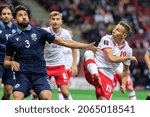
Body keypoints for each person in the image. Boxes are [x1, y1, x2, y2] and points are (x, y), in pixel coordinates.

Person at [4, 5, 98, 100]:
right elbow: (6, 62)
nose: (24, 17)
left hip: (39, 74)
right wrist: (11, 63)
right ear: (15, 20)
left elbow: (64, 42)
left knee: (47, 98)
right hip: (22, 75)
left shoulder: (39, 32)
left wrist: (86, 46)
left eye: (25, 14)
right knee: (17, 98)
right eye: (20, 15)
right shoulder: (11, 39)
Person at [83, 21, 138, 100]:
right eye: (115, 28)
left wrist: (123, 84)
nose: (114, 30)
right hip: (95, 69)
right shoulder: (107, 39)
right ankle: (95, 75)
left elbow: (126, 70)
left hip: (108, 75)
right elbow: (111, 58)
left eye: (118, 30)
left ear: (124, 35)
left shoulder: (128, 50)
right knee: (88, 52)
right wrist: (128, 57)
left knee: (103, 103)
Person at [43, 11, 79, 100]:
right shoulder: (44, 32)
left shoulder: (65, 33)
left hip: (59, 66)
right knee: (45, 96)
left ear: (61, 22)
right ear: (50, 21)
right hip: (45, 66)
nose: (55, 21)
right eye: (53, 19)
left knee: (65, 93)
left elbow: (74, 47)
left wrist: (74, 65)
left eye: (57, 19)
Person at [0, 4, 17, 100]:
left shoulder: (16, 29)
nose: (6, 15)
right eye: (4, 14)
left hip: (10, 63)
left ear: (11, 16)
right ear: (0, 16)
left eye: (8, 14)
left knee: (8, 91)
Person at [58, 28, 80, 100]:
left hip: (69, 68)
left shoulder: (74, 45)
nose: (69, 34)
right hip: (61, 68)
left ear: (72, 35)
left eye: (70, 33)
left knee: (65, 88)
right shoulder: (61, 44)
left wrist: (74, 65)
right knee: (61, 88)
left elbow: (77, 57)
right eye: (68, 33)